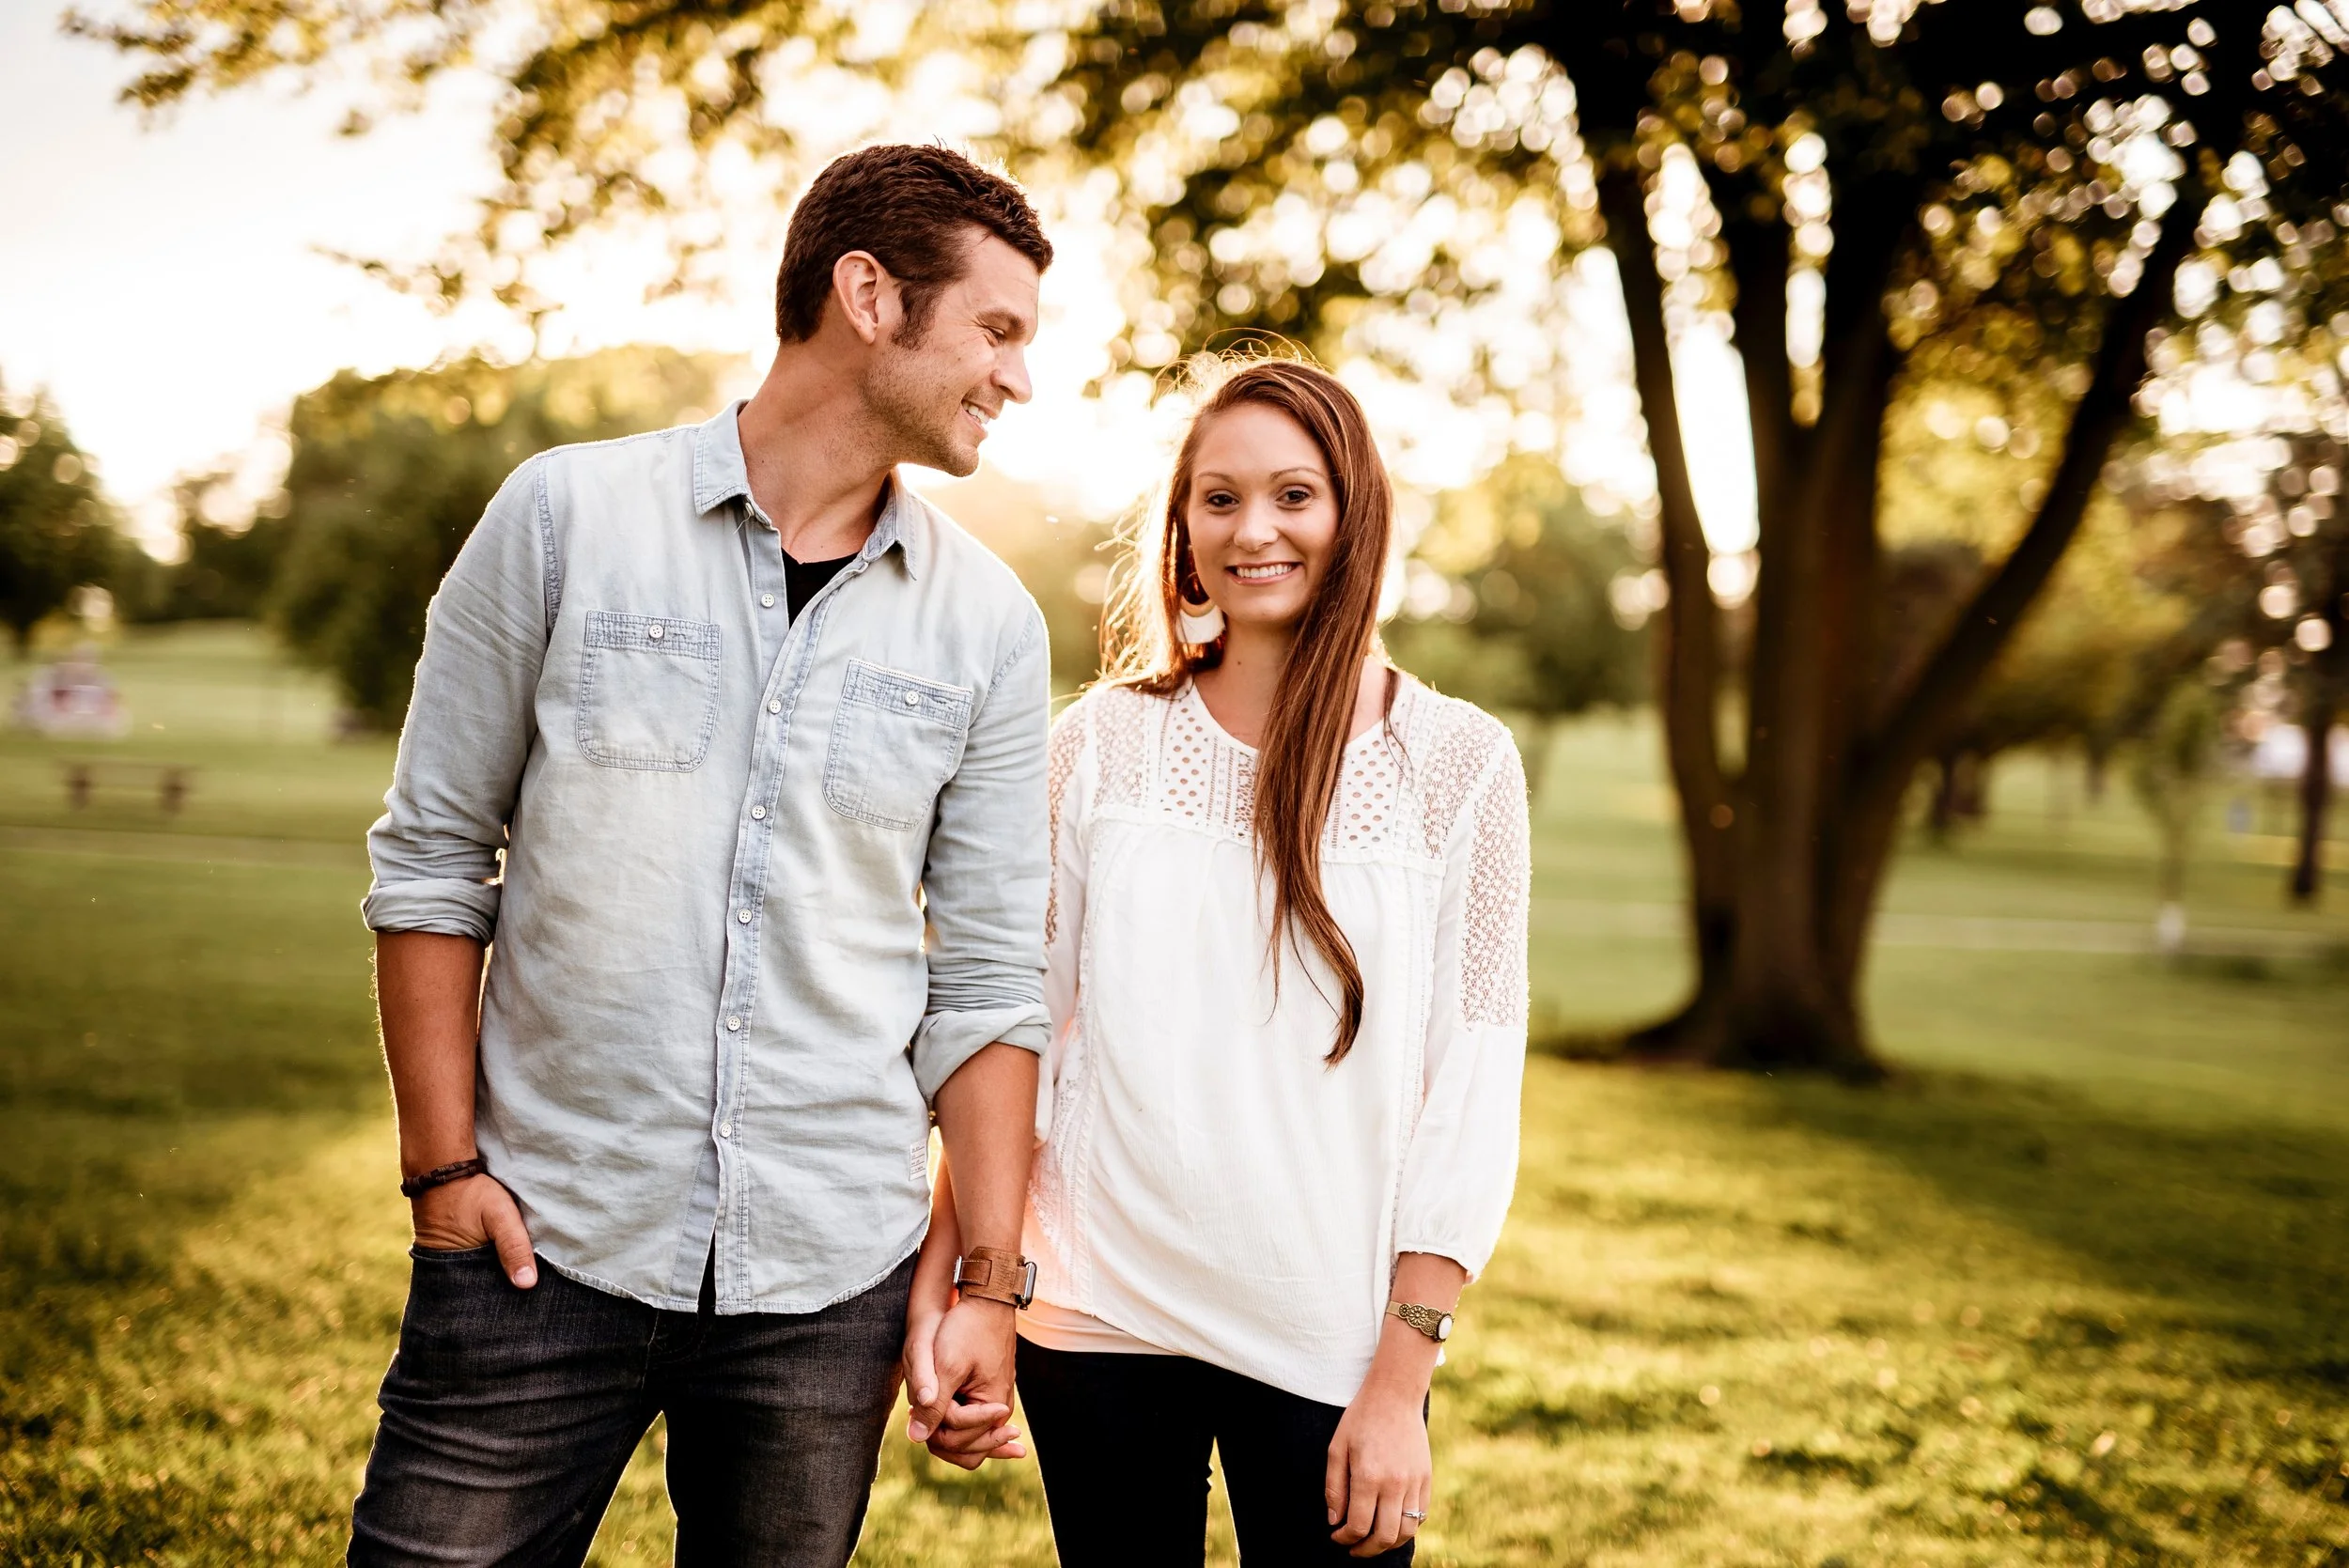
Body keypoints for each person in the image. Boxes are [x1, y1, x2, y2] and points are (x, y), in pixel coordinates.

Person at [350, 144, 1055, 1568]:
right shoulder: (563, 518)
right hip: (537, 1241)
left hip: (826, 1280)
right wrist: (442, 1174)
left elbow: (986, 972)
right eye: (997, 329)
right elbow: (432, 862)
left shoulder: (988, 624)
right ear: (868, 295)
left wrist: (987, 1280)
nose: (1017, 379)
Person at [910, 357, 1532, 1562]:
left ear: (1354, 515)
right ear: (1183, 528)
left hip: (1328, 1337)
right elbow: (1019, 1031)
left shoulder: (1458, 763)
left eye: (1295, 496)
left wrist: (1402, 1376)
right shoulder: (1097, 745)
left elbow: (1474, 1084)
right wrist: (971, 1287)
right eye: (1220, 497)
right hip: (1097, 1312)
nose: (1256, 530)